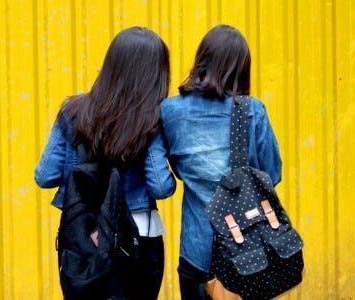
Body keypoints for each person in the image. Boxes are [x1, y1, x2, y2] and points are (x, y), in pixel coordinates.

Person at [34, 26, 176, 299]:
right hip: (138, 235)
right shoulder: (152, 119)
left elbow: (45, 176)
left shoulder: (73, 112)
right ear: (155, 74)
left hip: (82, 235)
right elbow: (160, 186)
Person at [159, 24, 282, 299]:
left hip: (195, 252)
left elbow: (165, 172)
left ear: (202, 60)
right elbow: (272, 174)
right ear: (241, 67)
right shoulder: (252, 110)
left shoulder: (169, 110)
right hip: (248, 253)